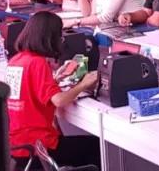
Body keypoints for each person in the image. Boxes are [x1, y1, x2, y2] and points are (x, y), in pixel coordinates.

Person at [7, 11, 101, 169]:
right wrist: (84, 84)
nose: (61, 39)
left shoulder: (16, 60)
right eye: (59, 35)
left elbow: (29, 91)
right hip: (39, 145)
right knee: (96, 147)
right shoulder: (37, 63)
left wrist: (56, 78)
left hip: (20, 144)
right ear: (49, 38)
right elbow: (59, 100)